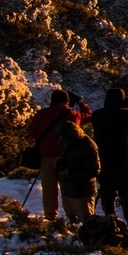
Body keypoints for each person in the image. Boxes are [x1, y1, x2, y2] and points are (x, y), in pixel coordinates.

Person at [23, 89, 89, 224]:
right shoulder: (73, 114)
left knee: (48, 187)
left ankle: (50, 215)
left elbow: (31, 132)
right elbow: (89, 115)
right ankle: (71, 216)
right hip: (66, 157)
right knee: (67, 186)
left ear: (52, 100)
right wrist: (81, 102)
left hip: (46, 156)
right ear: (67, 101)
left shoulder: (41, 114)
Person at [91, 83, 128, 229]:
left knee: (107, 191)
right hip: (123, 158)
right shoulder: (125, 114)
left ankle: (110, 221)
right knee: (126, 192)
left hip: (103, 159)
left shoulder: (97, 115)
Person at [54, 110, 101, 225]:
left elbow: (94, 171)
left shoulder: (87, 146)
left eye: (61, 138)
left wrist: (70, 173)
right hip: (72, 189)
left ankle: (91, 241)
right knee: (77, 220)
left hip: (82, 192)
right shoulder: (72, 144)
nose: (59, 141)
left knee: (87, 221)